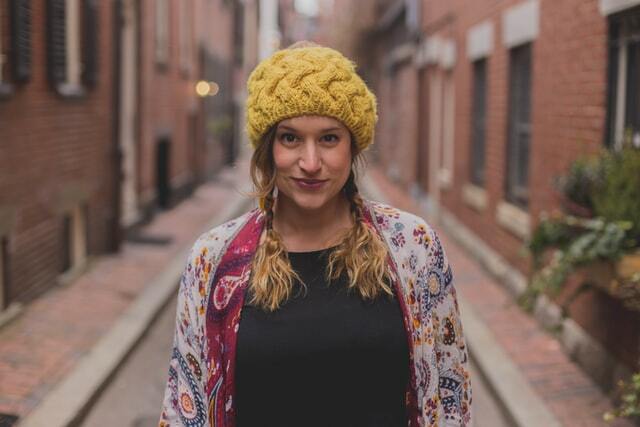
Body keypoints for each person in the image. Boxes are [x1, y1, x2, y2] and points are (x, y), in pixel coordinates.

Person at [159, 42, 472, 427]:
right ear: (268, 148)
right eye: (290, 138)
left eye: (328, 138)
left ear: (352, 145)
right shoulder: (213, 260)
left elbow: (452, 396)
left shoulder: (414, 248)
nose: (310, 163)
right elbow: (183, 405)